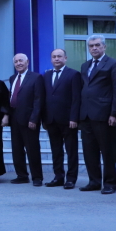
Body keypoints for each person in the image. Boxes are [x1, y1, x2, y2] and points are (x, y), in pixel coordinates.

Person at [79, 35, 116, 194]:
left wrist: (114, 113)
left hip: (104, 115)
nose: (94, 48)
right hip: (86, 115)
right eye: (91, 46)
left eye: (97, 45)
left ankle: (110, 183)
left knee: (107, 151)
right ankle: (94, 181)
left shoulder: (114, 64)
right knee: (89, 151)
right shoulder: (85, 65)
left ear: (104, 47)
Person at [42, 49, 82, 189]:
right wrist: (44, 119)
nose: (56, 59)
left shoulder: (74, 74)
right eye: (54, 57)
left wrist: (74, 118)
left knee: (71, 151)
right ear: (51, 59)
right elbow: (44, 98)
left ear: (65, 58)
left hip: (68, 120)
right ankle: (58, 177)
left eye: (59, 56)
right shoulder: (46, 75)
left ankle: (71, 179)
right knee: (56, 151)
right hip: (51, 120)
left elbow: (76, 98)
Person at [8, 53, 45, 186]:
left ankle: (37, 177)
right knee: (17, 149)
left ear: (27, 62)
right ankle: (22, 175)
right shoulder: (12, 78)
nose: (18, 63)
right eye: (16, 61)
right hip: (14, 118)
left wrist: (34, 119)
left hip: (29, 119)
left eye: (21, 61)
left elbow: (38, 99)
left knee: (32, 149)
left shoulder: (36, 77)